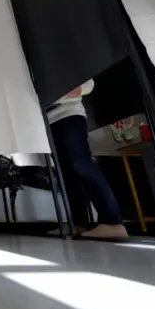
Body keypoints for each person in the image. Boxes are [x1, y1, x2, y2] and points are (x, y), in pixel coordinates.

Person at [47, 79, 128, 238]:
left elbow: (86, 85)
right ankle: (78, 223)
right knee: (66, 173)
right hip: (48, 119)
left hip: (68, 112)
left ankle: (112, 222)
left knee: (81, 164)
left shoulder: (61, 58)